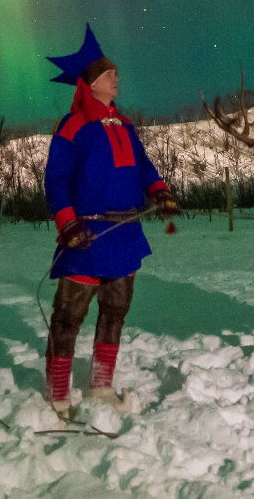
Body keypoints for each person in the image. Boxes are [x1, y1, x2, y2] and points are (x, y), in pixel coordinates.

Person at [42, 24, 178, 420]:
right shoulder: (71, 127)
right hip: (85, 236)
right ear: (91, 84)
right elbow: (56, 180)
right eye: (110, 74)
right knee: (68, 317)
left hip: (124, 236)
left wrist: (159, 190)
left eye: (116, 74)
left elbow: (144, 167)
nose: (117, 79)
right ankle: (57, 395)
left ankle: (101, 386)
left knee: (115, 312)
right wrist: (67, 223)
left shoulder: (126, 126)